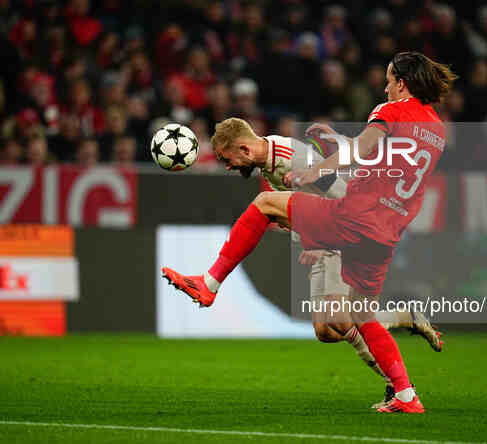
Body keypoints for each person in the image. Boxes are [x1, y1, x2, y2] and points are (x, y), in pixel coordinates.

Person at [162, 52, 456, 413]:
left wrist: (316, 173)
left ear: (401, 82)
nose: (384, 86)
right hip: (386, 230)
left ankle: (208, 285)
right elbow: (384, 162)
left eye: (388, 79)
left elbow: (362, 153)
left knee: (265, 206)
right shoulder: (436, 130)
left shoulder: (388, 111)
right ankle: (406, 395)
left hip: (355, 218)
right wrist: (339, 147)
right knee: (351, 318)